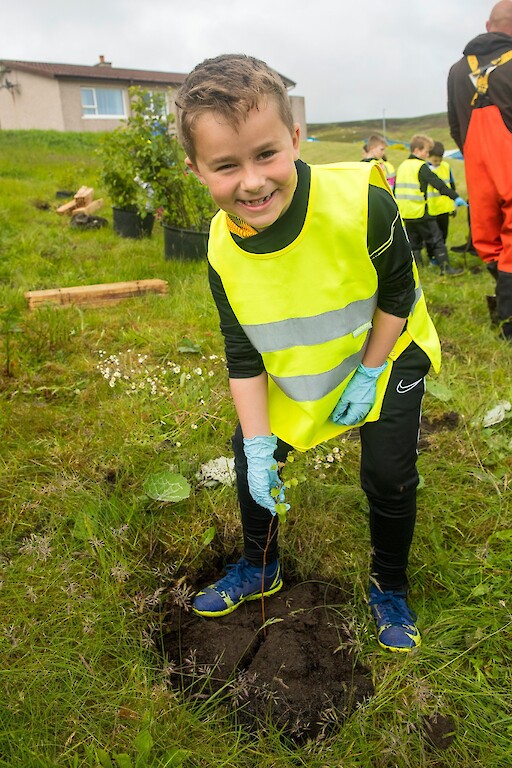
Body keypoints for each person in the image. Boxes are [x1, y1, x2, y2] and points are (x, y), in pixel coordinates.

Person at [175, 53, 442, 653]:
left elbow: (399, 292)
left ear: (295, 139)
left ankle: (389, 585)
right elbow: (241, 350)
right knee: (249, 457)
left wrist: (371, 371)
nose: (251, 181)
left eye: (266, 154)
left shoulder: (363, 203)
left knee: (389, 474)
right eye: (225, 165)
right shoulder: (221, 250)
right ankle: (259, 563)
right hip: (306, 369)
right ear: (196, 170)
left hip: (389, 353)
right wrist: (260, 444)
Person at [447, 0, 512, 338]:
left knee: (489, 241)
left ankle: (503, 301)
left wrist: (474, 157)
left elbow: (455, 126)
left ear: (489, 25)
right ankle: (508, 320)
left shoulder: (458, 70)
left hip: (477, 170)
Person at [394, 134, 467, 274]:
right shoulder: (420, 166)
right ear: (417, 150)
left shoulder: (403, 166)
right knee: (436, 239)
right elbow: (438, 184)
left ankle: (417, 271)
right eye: (426, 151)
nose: (428, 154)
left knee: (414, 243)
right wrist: (455, 197)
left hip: (406, 213)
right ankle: (445, 269)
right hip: (420, 211)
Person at [426, 141, 456, 246]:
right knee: (433, 235)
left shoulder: (446, 167)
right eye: (435, 160)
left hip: (444, 208)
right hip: (431, 209)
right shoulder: (424, 169)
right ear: (428, 156)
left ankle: (442, 254)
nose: (438, 162)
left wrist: (454, 204)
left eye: (440, 160)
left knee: (444, 233)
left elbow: (452, 186)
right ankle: (434, 256)